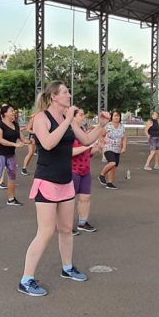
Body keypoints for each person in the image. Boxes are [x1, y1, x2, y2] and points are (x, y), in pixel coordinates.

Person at [18, 83, 108, 297]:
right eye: (65, 92)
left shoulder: (68, 119)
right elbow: (48, 143)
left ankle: (67, 268)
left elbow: (86, 139)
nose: (69, 95)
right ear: (53, 97)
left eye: (69, 91)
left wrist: (101, 125)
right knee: (46, 231)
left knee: (66, 228)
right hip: (47, 180)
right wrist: (68, 119)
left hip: (65, 181)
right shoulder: (41, 118)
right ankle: (26, 279)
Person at [0, 104, 24, 210]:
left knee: (12, 176)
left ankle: (11, 199)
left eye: (13, 110)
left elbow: (22, 138)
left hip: (10, 154)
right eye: (11, 111)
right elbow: (0, 140)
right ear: (5, 113)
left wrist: (34, 141)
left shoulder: (15, 124)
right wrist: (15, 144)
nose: (13, 112)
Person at [71, 124, 99, 234]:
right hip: (72, 170)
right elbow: (69, 152)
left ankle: (82, 223)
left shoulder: (84, 133)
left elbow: (88, 153)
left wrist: (96, 148)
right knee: (68, 200)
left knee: (85, 198)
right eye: (81, 115)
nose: (83, 117)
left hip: (85, 170)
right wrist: (87, 146)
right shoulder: (69, 132)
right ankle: (66, 225)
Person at [98, 110, 127, 189]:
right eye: (115, 115)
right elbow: (102, 134)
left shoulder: (122, 126)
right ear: (112, 117)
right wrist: (101, 143)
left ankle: (110, 183)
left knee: (114, 167)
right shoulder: (108, 125)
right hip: (109, 147)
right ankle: (101, 175)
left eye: (118, 116)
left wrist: (124, 147)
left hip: (117, 148)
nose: (117, 117)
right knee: (112, 163)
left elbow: (124, 138)